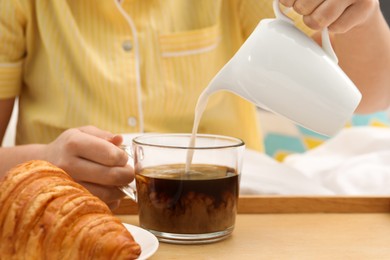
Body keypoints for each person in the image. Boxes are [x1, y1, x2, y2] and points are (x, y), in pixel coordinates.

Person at [1, 0, 389, 209]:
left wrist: (359, 15)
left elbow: (372, 93)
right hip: (71, 209)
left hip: (238, 214)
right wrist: (44, 162)